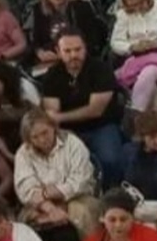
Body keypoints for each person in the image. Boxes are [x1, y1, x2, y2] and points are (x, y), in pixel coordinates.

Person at [13, 110, 100, 241]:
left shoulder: (73, 144)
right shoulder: (23, 153)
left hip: (77, 199)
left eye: (44, 132)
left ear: (53, 127)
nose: (42, 140)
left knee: (67, 239)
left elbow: (79, 181)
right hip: (42, 207)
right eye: (35, 137)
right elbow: (27, 189)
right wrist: (51, 208)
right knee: (33, 238)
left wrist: (47, 192)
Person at [40, 31, 124, 187]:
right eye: (67, 51)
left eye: (78, 49)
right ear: (58, 52)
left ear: (85, 48)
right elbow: (52, 114)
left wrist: (61, 118)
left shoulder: (101, 69)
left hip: (102, 126)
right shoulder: (52, 75)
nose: (73, 55)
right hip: (67, 131)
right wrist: (61, 129)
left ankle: (111, 194)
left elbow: (95, 110)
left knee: (110, 160)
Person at [30, 0, 107, 68]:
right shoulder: (37, 10)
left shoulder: (82, 7)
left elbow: (93, 40)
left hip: (77, 55)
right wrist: (39, 53)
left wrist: (67, 54)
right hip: (50, 58)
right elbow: (34, 40)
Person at [0, 60, 39, 161]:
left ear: (4, 78)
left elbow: (41, 117)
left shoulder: (24, 87)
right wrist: (8, 155)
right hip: (6, 135)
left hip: (32, 129)